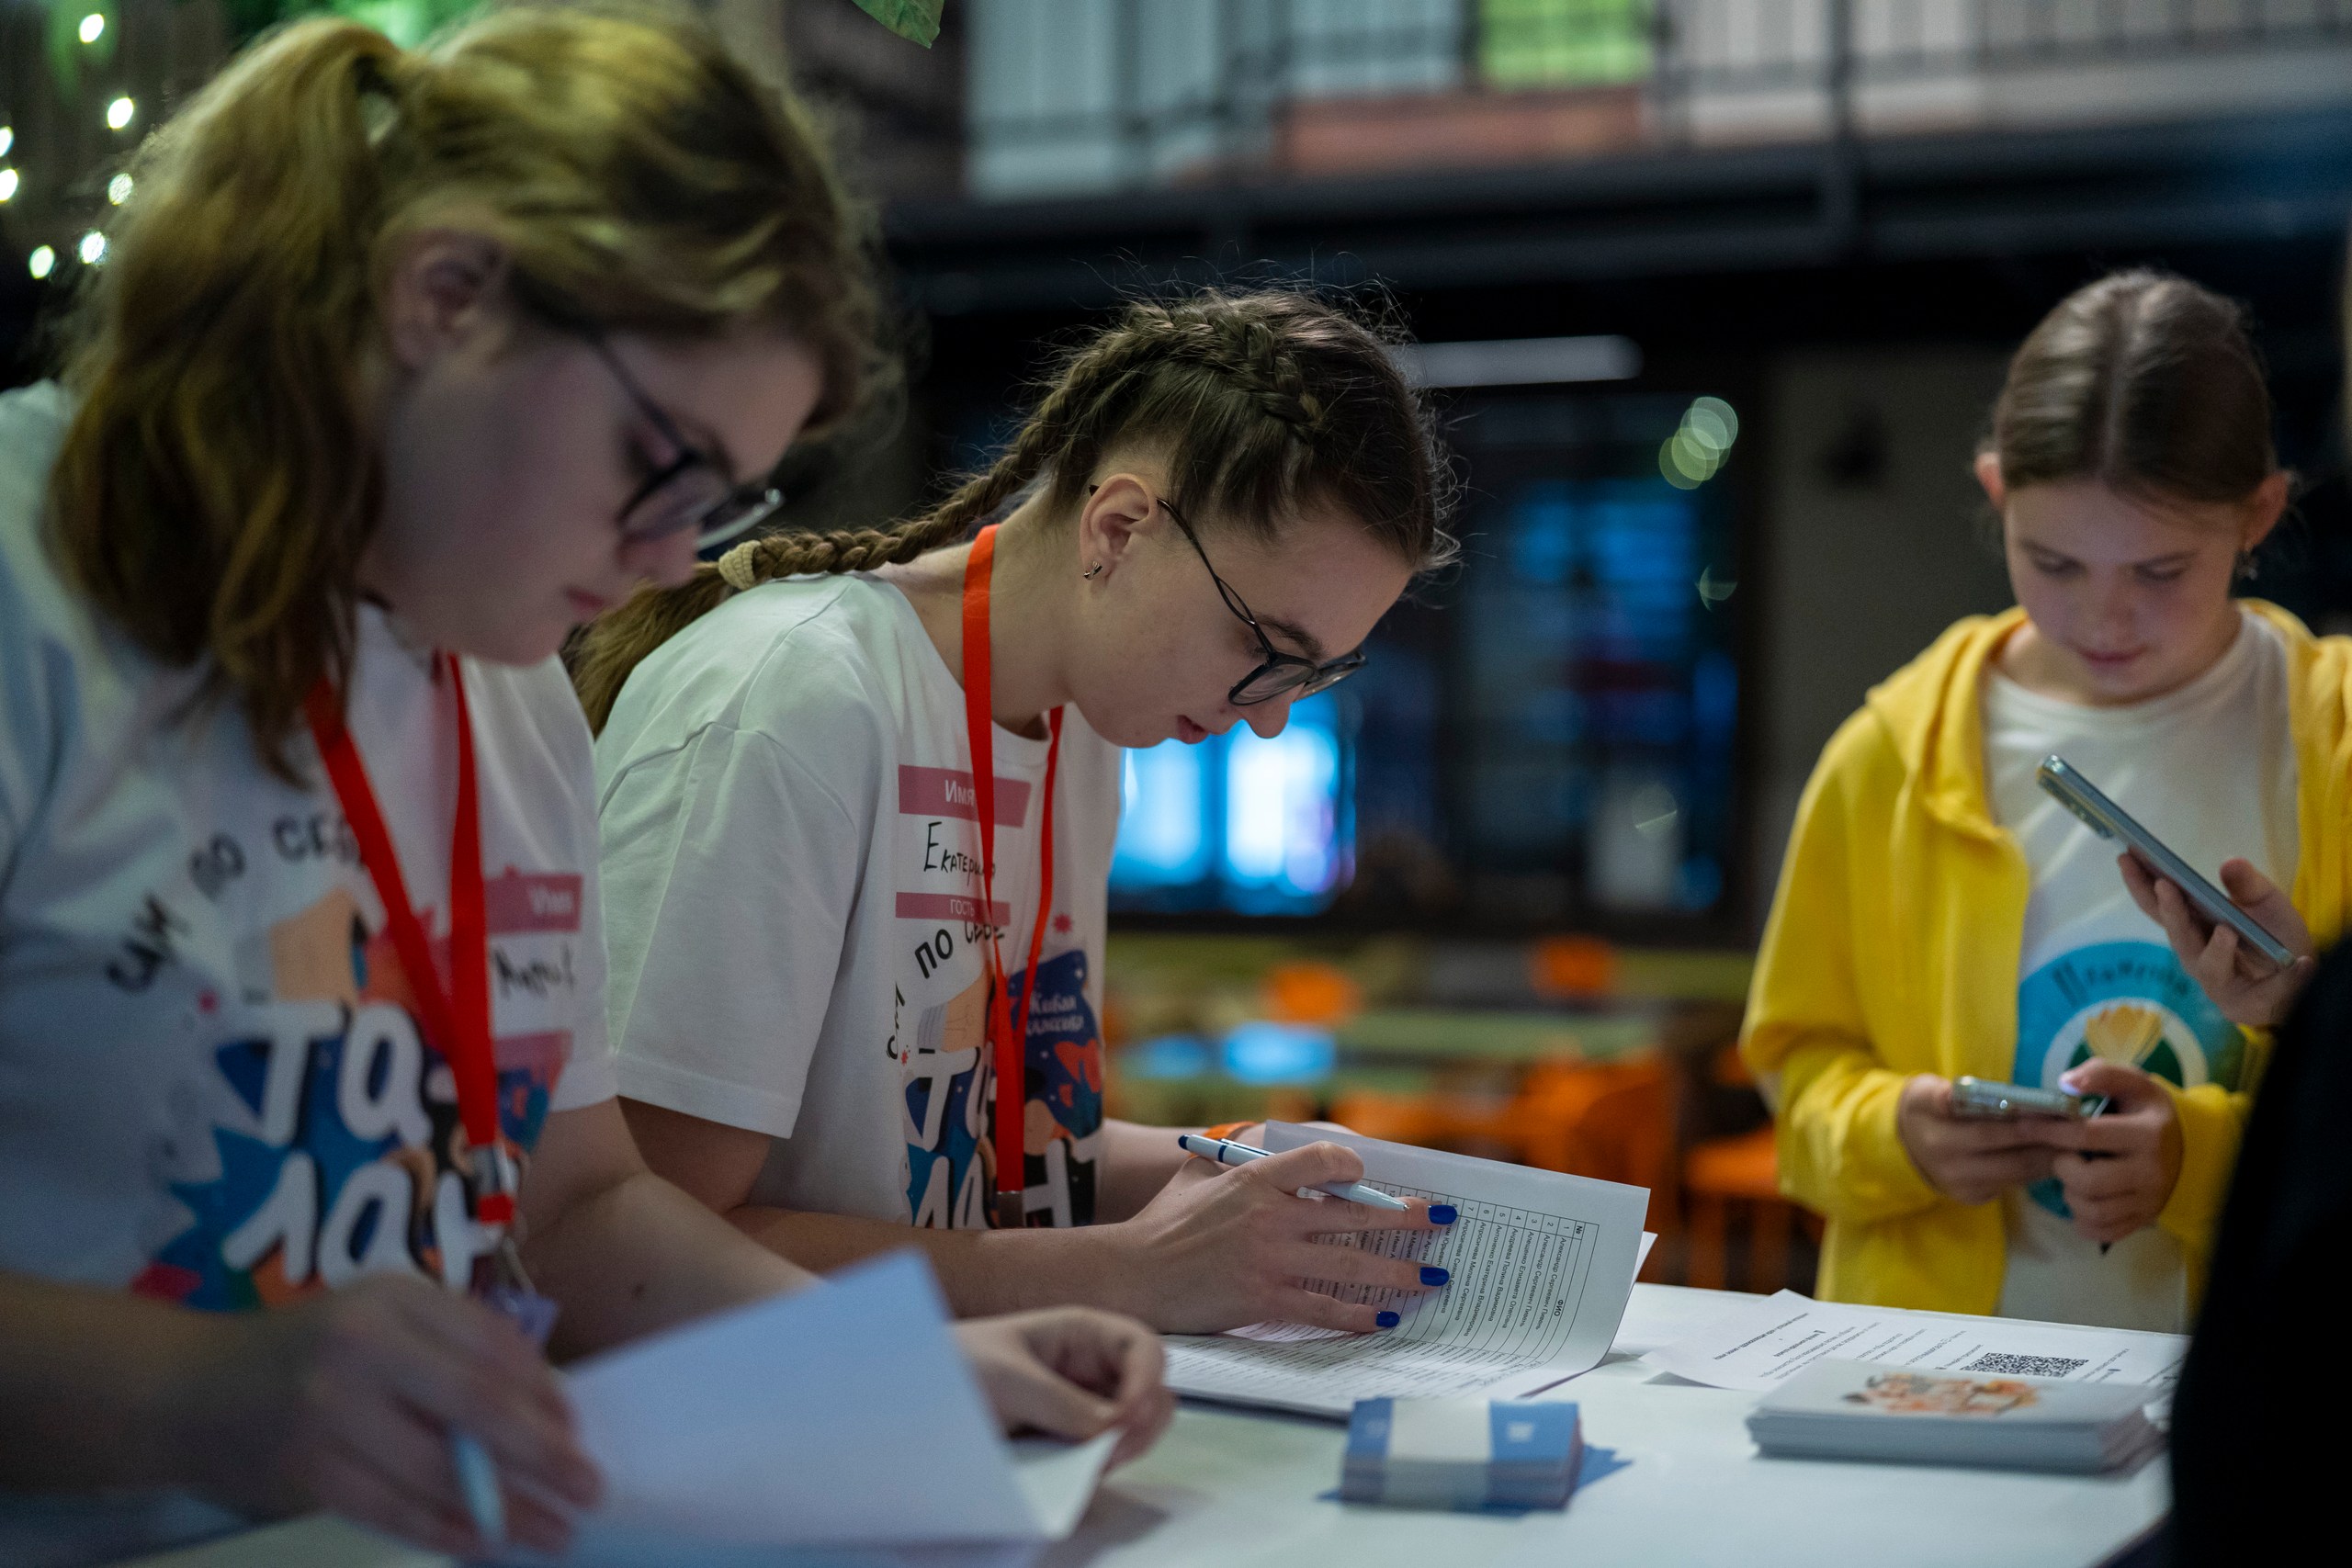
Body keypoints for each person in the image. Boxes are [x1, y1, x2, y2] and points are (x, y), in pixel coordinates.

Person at [0, 14, 1168, 1567]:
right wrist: (203, 1393)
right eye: (659, 459)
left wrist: (896, 1369)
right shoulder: (32, 586)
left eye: (723, 496)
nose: (677, 555)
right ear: (446, 297)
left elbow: (578, 1209)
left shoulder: (506, 685)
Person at [567, 290, 1461, 1333]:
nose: (1268, 721)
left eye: (1313, 676)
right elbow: (634, 1250)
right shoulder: (789, 702)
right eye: (1264, 649)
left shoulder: (1085, 730)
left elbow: (1005, 1156)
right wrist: (1124, 1272)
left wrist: (1244, 1170)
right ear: (1117, 529)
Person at [1742, 269, 2352, 1331]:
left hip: (2251, 1394)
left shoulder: (2334, 740)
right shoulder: (1888, 757)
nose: (2103, 619)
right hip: (1927, 1383)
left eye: (2160, 571)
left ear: (2258, 514)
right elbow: (1795, 1084)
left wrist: (2246, 1099)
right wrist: (1896, 1133)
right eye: (2053, 562)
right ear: (1995, 495)